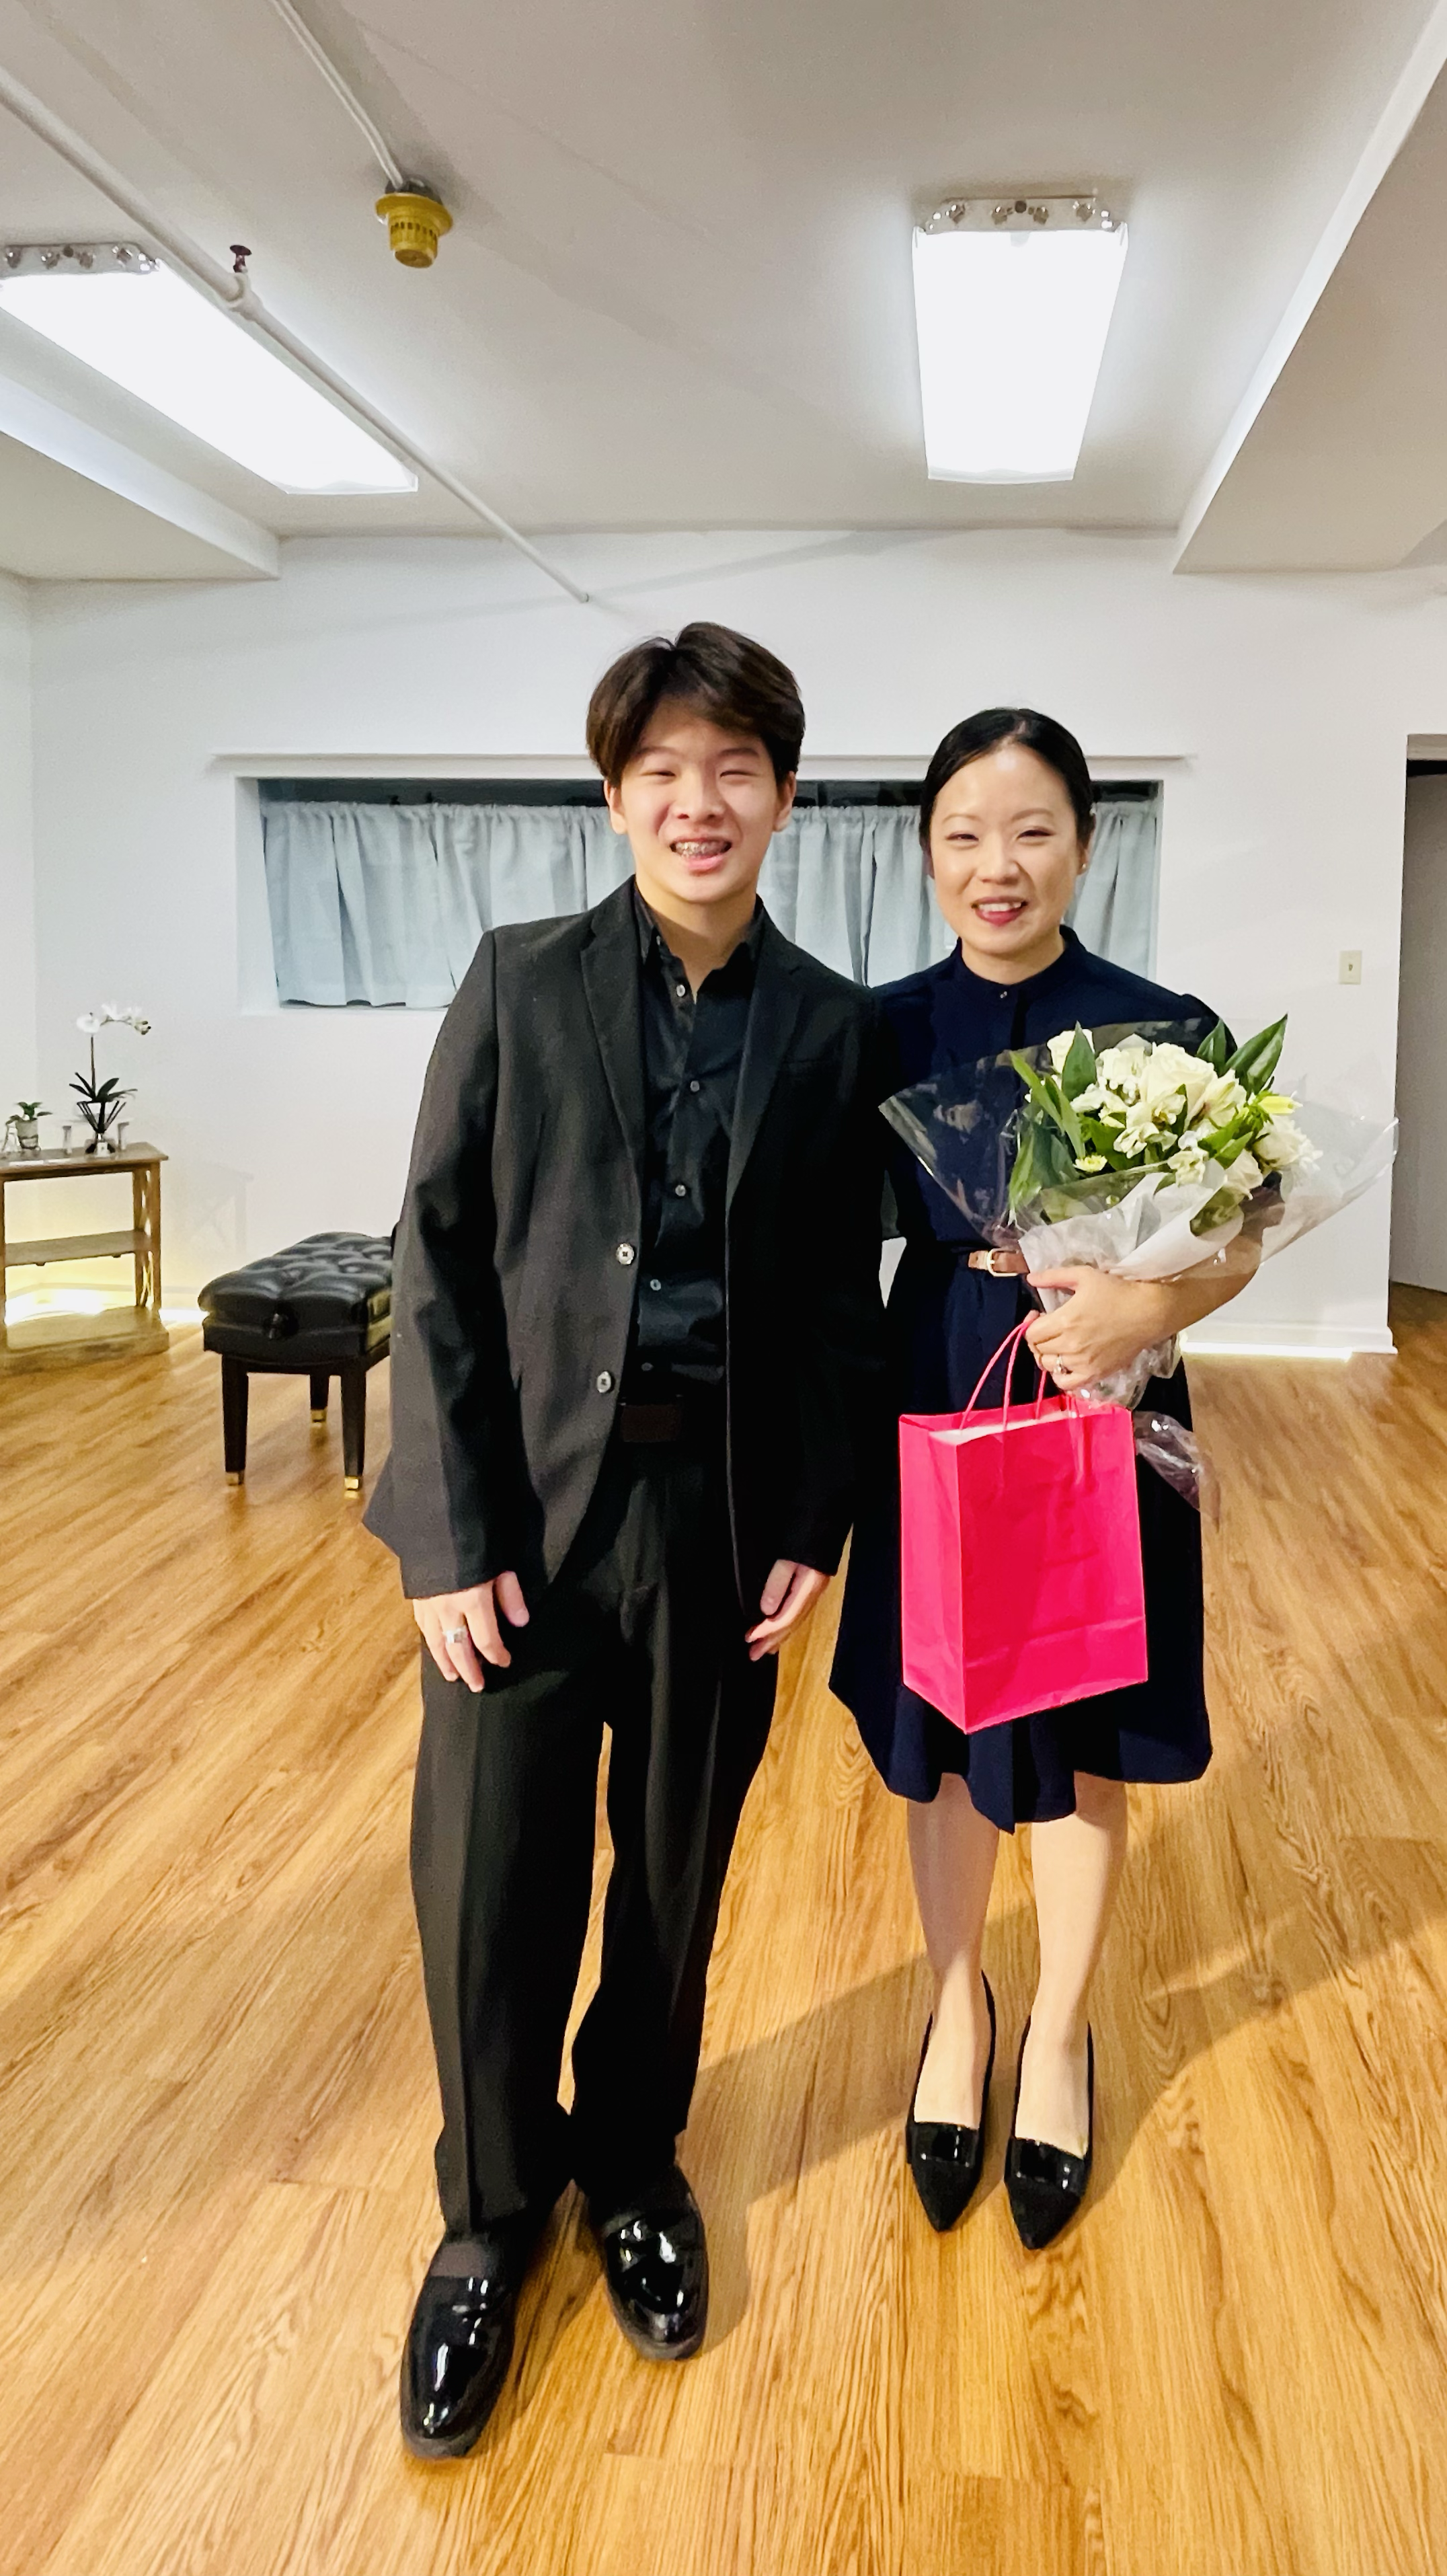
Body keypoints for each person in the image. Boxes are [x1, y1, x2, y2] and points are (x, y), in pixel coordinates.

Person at [366, 621, 888, 2457]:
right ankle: (488, 2217)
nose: (697, 799)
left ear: (784, 795)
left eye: (732, 767)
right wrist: (445, 1537)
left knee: (674, 1870)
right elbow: (434, 1256)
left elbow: (833, 1302)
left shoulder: (829, 1025)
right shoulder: (518, 981)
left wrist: (813, 1512)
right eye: (661, 769)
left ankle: (635, 2164)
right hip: (518, 1522)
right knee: (488, 1877)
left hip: (713, 1520)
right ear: (615, 797)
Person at [832, 708, 1255, 2250]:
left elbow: (1238, 1230)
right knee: (941, 1729)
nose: (994, 865)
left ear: (1084, 843)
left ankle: (1060, 2033)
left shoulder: (1161, 1025)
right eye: (961, 834)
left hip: (1104, 1388)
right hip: (939, 1376)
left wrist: (1145, 1307)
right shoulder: (877, 1029)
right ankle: (957, 2008)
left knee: (1076, 1726)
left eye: (1028, 831)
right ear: (925, 854)